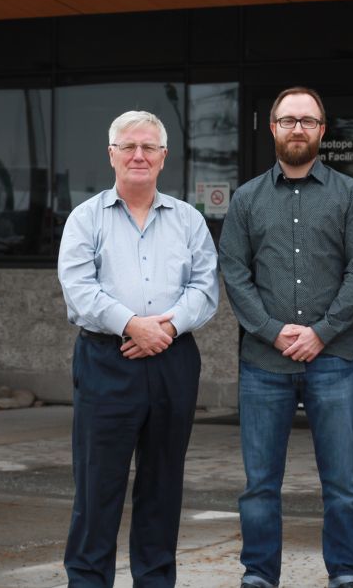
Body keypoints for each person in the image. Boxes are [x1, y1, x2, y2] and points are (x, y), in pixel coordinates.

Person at [219, 87, 353, 588]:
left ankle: (346, 573)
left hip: (334, 359)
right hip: (264, 364)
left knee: (342, 483)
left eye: (308, 121)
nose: (297, 129)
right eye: (288, 120)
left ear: (322, 131)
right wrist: (270, 330)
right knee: (260, 484)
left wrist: (323, 332)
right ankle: (259, 575)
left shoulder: (350, 195)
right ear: (272, 129)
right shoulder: (246, 199)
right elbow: (234, 273)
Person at [58, 110, 219, 587]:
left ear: (164, 157)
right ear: (111, 155)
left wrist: (164, 330)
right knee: (97, 487)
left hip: (173, 361)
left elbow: (206, 288)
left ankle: (154, 580)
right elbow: (79, 288)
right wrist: (131, 324)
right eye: (128, 146)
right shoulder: (85, 218)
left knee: (163, 485)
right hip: (107, 360)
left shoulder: (188, 220)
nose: (138, 155)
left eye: (149, 147)